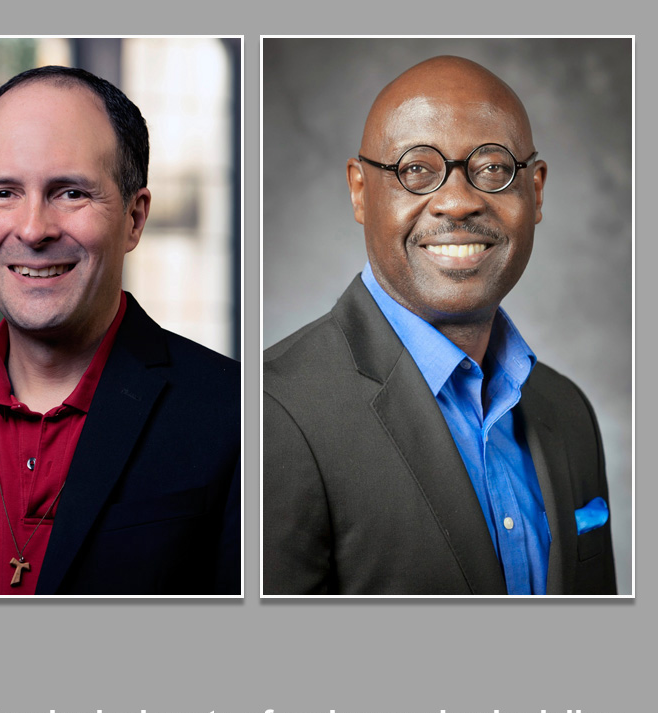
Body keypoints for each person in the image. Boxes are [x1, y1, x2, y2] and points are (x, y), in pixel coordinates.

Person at [0, 66, 240, 595]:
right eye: (3, 193)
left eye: (69, 193)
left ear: (134, 218)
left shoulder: (238, 417)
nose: (32, 230)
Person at [263, 56, 616, 595]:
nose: (457, 202)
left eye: (493, 168)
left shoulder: (568, 412)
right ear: (360, 191)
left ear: (536, 191)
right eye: (416, 169)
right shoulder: (270, 415)